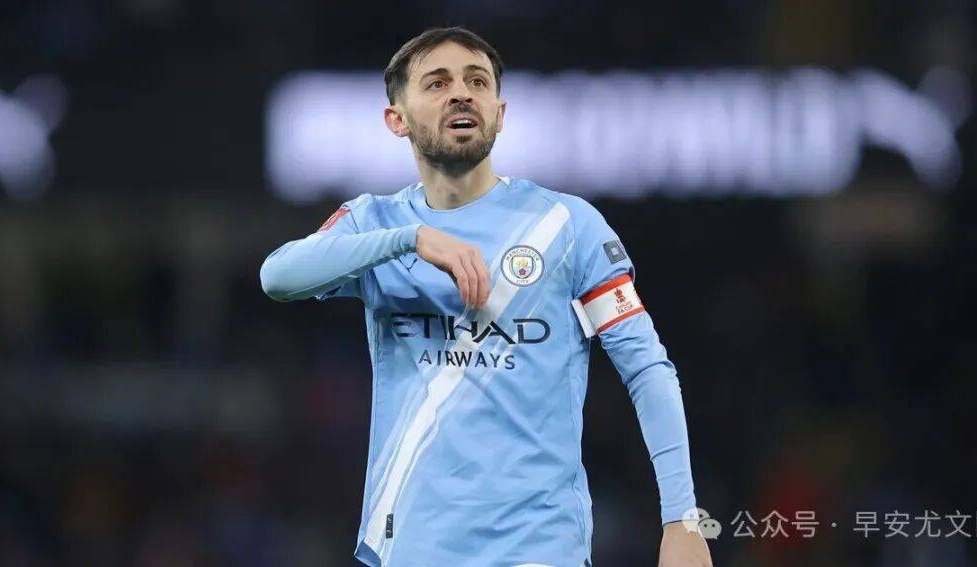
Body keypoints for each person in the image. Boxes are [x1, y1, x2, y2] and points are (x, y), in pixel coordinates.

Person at [260, 26, 713, 567]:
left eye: (477, 82)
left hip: (538, 548)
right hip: (409, 548)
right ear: (396, 119)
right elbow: (278, 276)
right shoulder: (375, 223)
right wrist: (411, 239)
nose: (461, 93)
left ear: (499, 113)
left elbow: (647, 368)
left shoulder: (566, 225)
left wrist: (682, 518)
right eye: (437, 83)